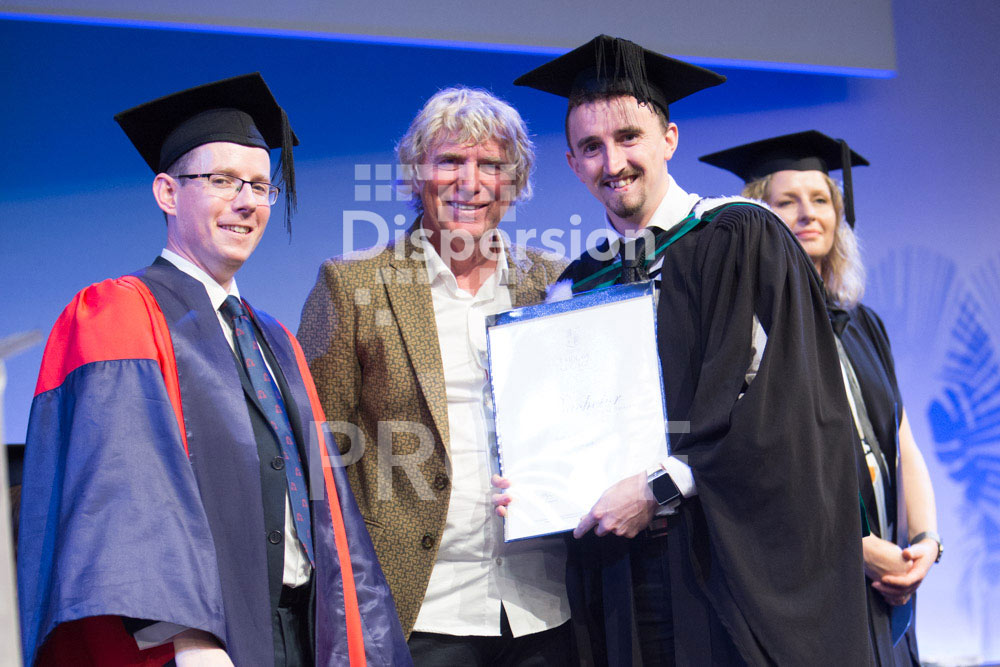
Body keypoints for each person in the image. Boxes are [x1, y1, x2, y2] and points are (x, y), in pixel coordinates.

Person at [498, 35, 874, 665]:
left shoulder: (742, 236)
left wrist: (661, 487)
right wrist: (533, 484)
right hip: (624, 578)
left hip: (730, 568)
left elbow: (788, 404)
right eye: (591, 147)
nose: (612, 161)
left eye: (629, 137)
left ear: (669, 138)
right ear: (572, 162)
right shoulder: (577, 286)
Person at [17, 73, 409, 666]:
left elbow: (329, 512)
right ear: (167, 193)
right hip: (197, 643)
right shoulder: (120, 311)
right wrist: (187, 638)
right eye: (223, 180)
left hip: (302, 632)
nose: (247, 202)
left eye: (261, 185)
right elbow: (125, 491)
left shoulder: (275, 339)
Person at [298, 87, 571, 665]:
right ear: (416, 172)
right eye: (450, 161)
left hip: (545, 602)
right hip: (418, 609)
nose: (470, 182)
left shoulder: (554, 282)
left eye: (491, 164)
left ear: (515, 181)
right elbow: (318, 454)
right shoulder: (352, 285)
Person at [700, 129, 941, 666]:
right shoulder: (749, 330)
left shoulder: (864, 323)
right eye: (787, 202)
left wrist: (926, 542)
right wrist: (856, 548)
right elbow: (758, 466)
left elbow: (902, 444)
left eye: (820, 200)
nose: (808, 214)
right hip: (809, 581)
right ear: (758, 217)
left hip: (887, 580)